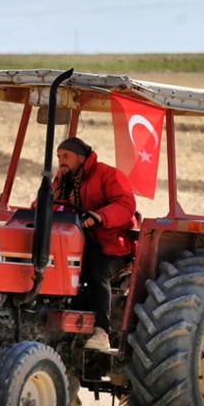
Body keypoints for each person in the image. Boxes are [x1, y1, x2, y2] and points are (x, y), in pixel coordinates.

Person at [53, 136, 137, 352]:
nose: (61, 161)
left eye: (66, 156)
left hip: (111, 245)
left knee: (95, 270)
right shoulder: (62, 179)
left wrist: (100, 217)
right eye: (59, 156)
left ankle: (102, 332)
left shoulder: (108, 174)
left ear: (81, 158)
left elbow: (125, 205)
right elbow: (48, 201)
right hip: (76, 242)